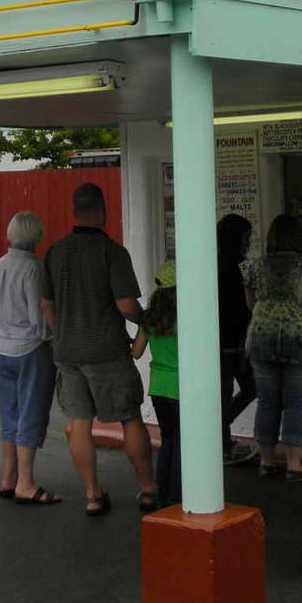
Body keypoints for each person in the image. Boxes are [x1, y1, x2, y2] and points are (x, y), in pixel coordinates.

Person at [40, 183, 157, 517]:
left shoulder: (55, 251)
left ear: (74, 210)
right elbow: (125, 304)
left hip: (67, 351)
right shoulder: (112, 252)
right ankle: (148, 490)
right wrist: (146, 319)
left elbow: (46, 304)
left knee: (80, 422)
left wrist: (61, 333)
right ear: (102, 210)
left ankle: (93, 494)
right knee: (130, 419)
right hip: (107, 350)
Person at [0, 210, 60, 506]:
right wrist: (56, 337)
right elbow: (38, 317)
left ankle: (8, 477)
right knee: (31, 412)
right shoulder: (34, 269)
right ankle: (26, 483)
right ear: (37, 236)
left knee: (10, 413)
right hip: (29, 349)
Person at [242, 213, 302, 482]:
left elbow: (250, 302)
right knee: (296, 404)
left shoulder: (257, 265)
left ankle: (266, 460)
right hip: (299, 336)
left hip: (261, 335)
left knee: (268, 401)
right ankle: (294, 464)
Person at [131, 261, 180, 508]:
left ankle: (162, 491)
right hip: (182, 386)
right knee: (182, 441)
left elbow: (136, 352)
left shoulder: (150, 319)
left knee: (168, 438)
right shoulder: (186, 318)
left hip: (159, 386)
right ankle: (179, 493)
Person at [216, 214, 257, 465]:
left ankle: (220, 434)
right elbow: (245, 306)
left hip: (216, 337)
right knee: (250, 387)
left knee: (223, 392)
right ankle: (221, 439)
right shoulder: (241, 266)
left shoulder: (211, 263)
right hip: (236, 339)